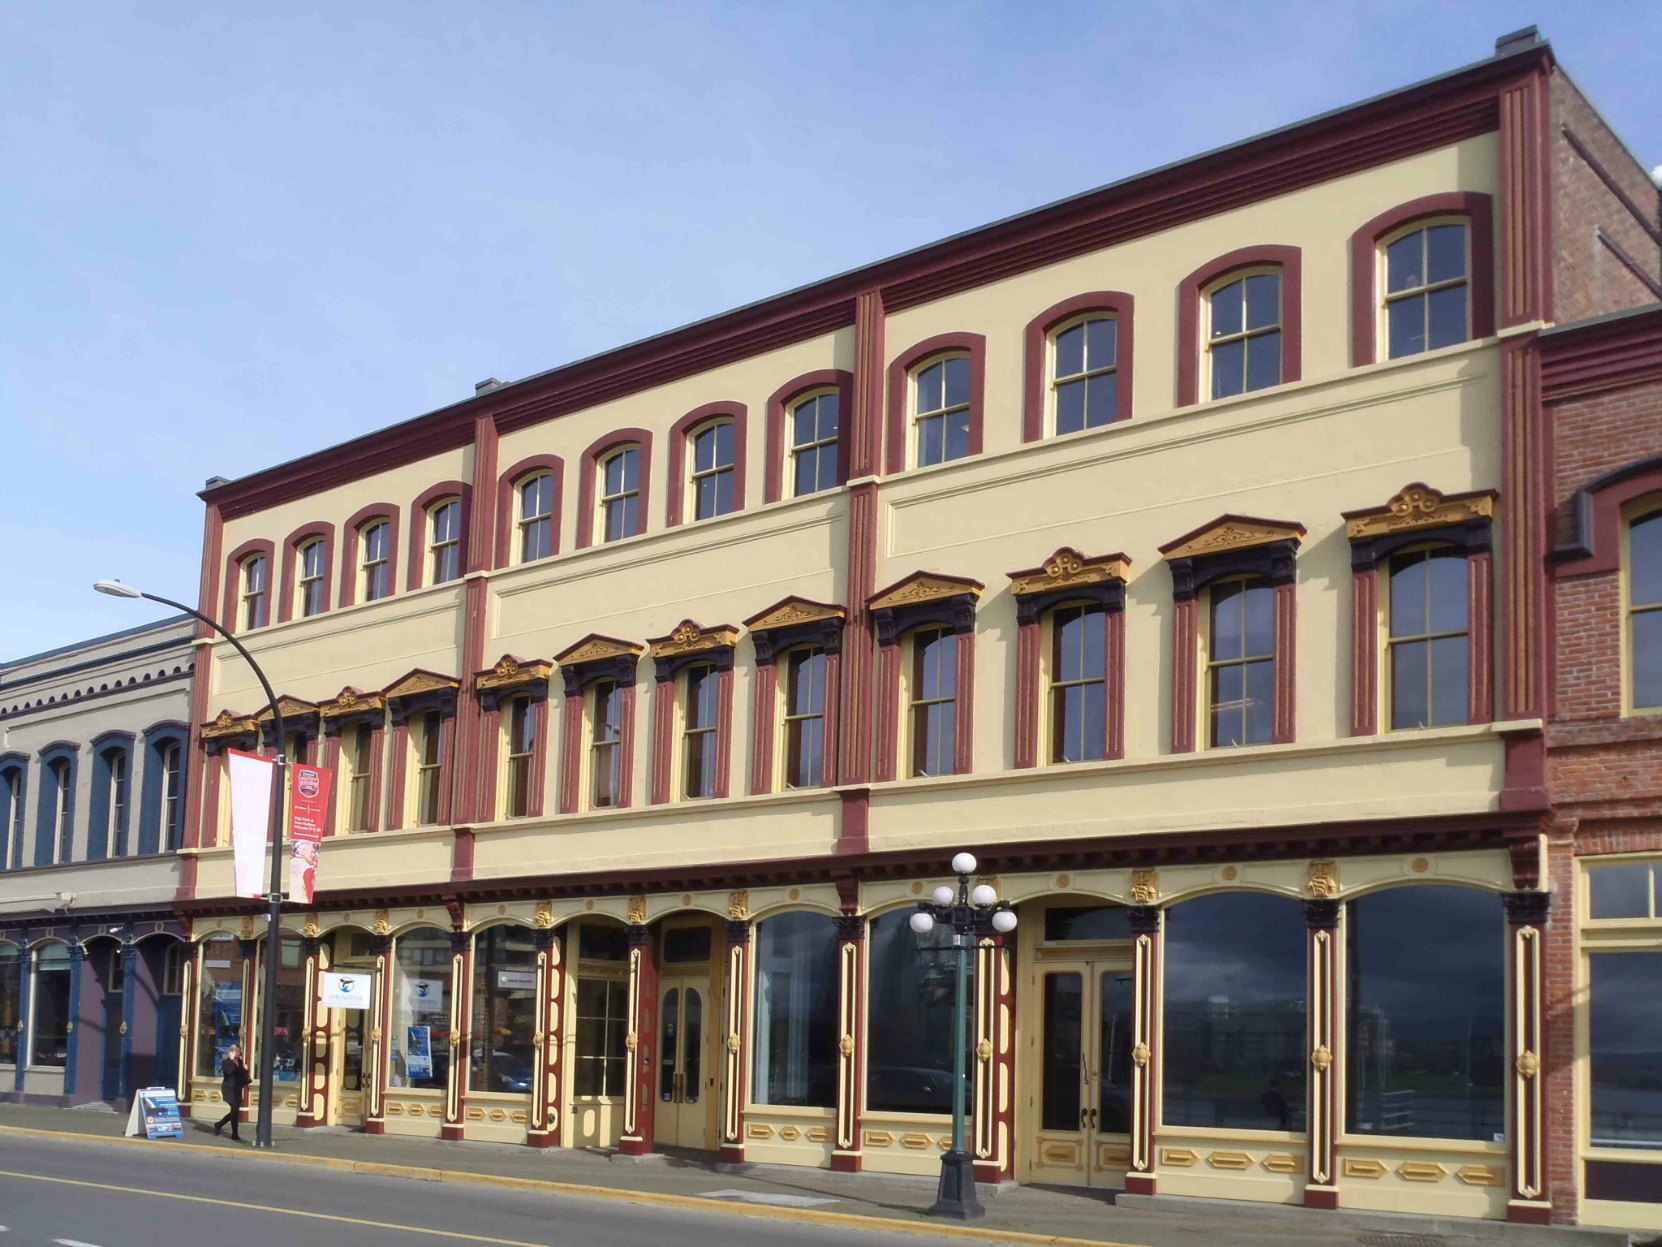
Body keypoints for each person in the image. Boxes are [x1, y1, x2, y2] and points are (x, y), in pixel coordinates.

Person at [215, 1044, 251, 1140]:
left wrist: (245, 1070)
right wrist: (231, 1061)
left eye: (239, 1051)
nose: (238, 1053)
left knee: (235, 1111)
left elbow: (241, 1074)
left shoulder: (239, 1061)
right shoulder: (226, 1062)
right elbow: (229, 1072)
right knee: (234, 1110)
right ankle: (235, 1133)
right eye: (236, 1051)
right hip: (228, 1089)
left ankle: (219, 1124)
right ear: (231, 1052)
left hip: (237, 1088)